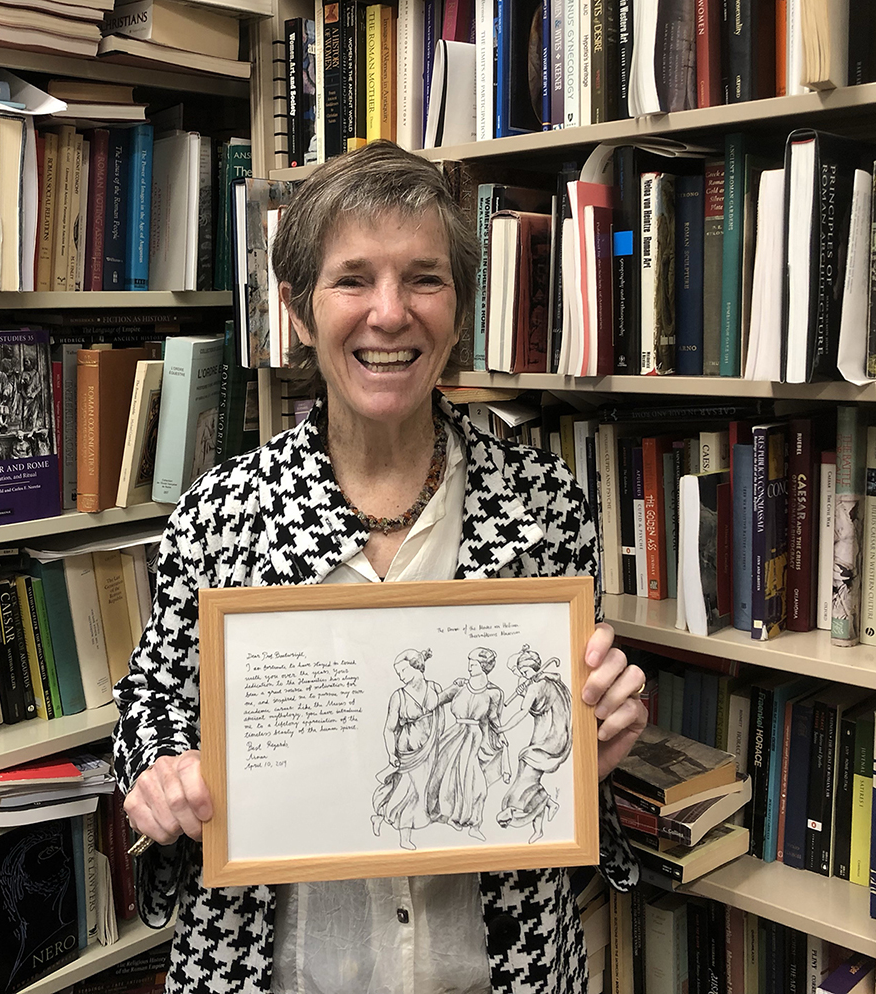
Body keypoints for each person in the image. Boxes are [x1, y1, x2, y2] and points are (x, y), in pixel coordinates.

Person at [113, 140, 647, 994]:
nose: (390, 314)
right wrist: (160, 769)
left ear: (460, 308)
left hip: (499, 970)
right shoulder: (219, 512)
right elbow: (154, 700)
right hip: (279, 974)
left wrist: (592, 741)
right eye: (353, 280)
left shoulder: (547, 503)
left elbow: (555, 732)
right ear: (298, 311)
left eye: (424, 279)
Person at [426, 647, 507, 841]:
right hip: (454, 736)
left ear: (484, 666)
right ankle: (450, 815)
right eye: (469, 662)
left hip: (474, 738)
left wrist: (501, 734)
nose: (470, 666)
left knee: (476, 784)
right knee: (445, 776)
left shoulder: (494, 693)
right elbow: (433, 702)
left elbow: (493, 717)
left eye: (474, 663)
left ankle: (474, 823)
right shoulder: (459, 687)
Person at [496, 647, 573, 844]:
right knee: (530, 779)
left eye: (524, 672)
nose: (522, 675)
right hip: (551, 736)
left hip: (547, 740)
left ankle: (516, 810)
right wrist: (524, 691)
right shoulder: (547, 682)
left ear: (531, 668)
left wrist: (503, 728)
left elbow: (523, 712)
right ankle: (548, 808)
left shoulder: (536, 686)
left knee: (525, 776)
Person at [371, 648, 443, 850]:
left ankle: (380, 817)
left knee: (422, 792)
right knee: (411, 793)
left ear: (416, 666)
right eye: (398, 672)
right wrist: (391, 753)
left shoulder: (434, 688)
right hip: (407, 752)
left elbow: (440, 719)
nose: (400, 676)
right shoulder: (398, 696)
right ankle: (404, 837)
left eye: (403, 670)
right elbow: (389, 729)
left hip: (430, 750)